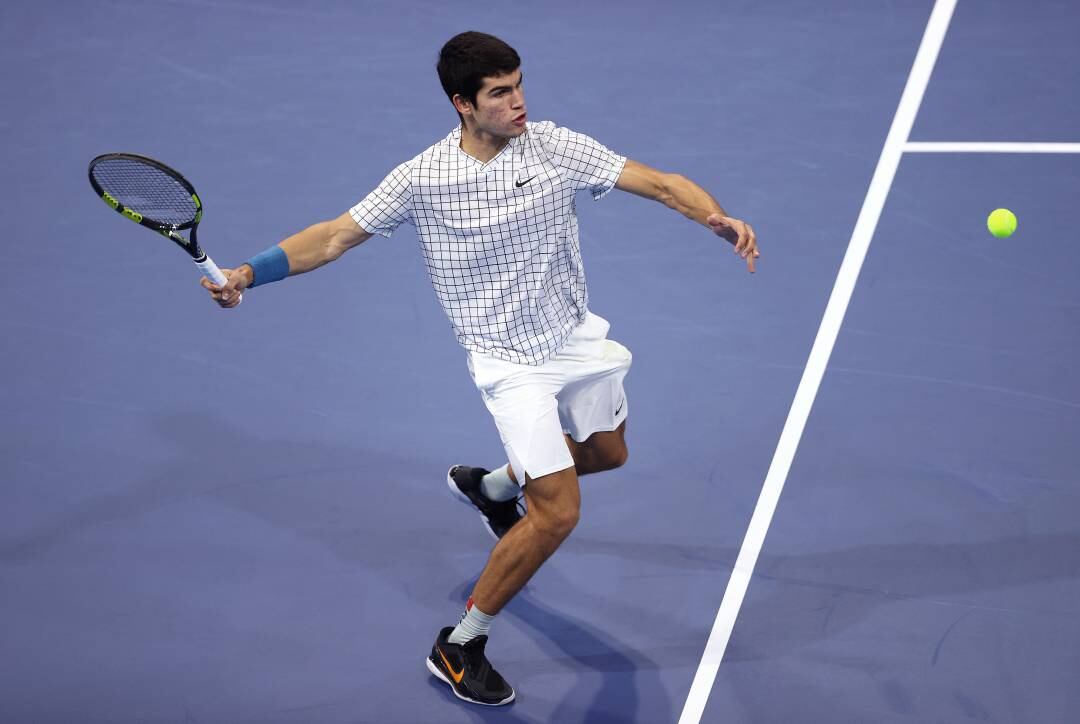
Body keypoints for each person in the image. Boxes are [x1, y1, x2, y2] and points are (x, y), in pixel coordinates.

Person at [203, 30, 758, 707]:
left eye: (520, 84)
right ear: (464, 104)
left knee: (609, 453)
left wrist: (713, 215)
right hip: (508, 363)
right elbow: (332, 235)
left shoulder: (552, 145)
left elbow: (659, 183)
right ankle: (460, 643)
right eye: (500, 93)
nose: (519, 102)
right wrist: (245, 276)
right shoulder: (422, 179)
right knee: (557, 514)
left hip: (574, 337)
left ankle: (493, 488)